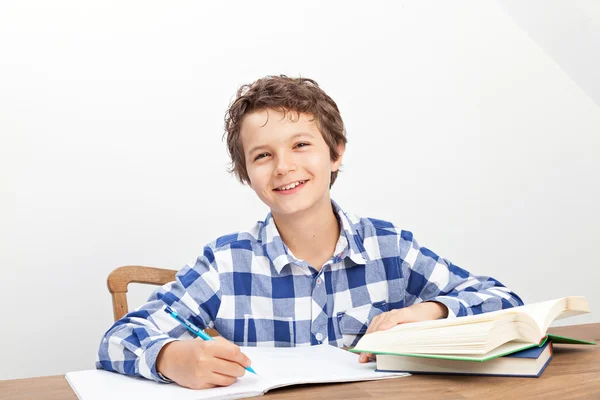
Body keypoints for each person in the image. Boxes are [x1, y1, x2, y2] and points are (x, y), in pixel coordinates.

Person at [97, 75, 524, 389]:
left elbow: (504, 303)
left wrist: (427, 312)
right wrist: (172, 357)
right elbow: (116, 340)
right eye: (263, 155)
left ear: (336, 153)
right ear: (247, 175)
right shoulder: (225, 264)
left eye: (301, 145)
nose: (284, 166)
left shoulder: (389, 247)